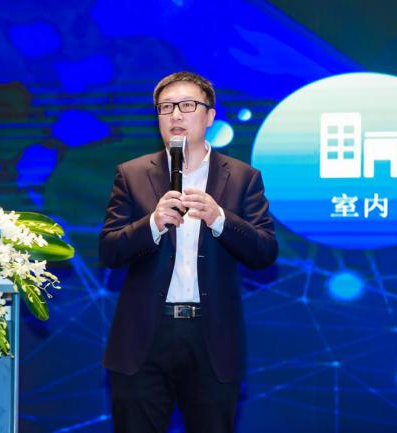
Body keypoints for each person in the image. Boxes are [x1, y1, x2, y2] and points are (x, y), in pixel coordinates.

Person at [99, 71, 278, 433]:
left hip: (211, 338)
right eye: (166, 108)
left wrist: (219, 218)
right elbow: (109, 251)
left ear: (209, 116)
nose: (176, 115)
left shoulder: (242, 177)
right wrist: (152, 223)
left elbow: (265, 252)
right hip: (143, 338)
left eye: (187, 105)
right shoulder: (132, 174)